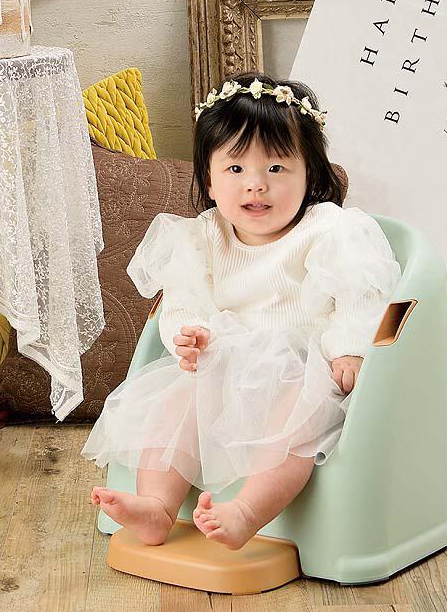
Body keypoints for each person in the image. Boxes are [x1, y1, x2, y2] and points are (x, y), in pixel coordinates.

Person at [81, 72, 401, 550]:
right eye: (235, 168)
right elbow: (183, 299)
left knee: (296, 423)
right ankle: (156, 506)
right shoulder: (202, 236)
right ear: (209, 180)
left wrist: (350, 349)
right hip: (224, 366)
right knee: (171, 405)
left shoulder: (330, 230)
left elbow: (362, 292)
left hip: (304, 373)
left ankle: (247, 510)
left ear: (311, 175)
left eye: (276, 168)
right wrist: (190, 335)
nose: (256, 185)